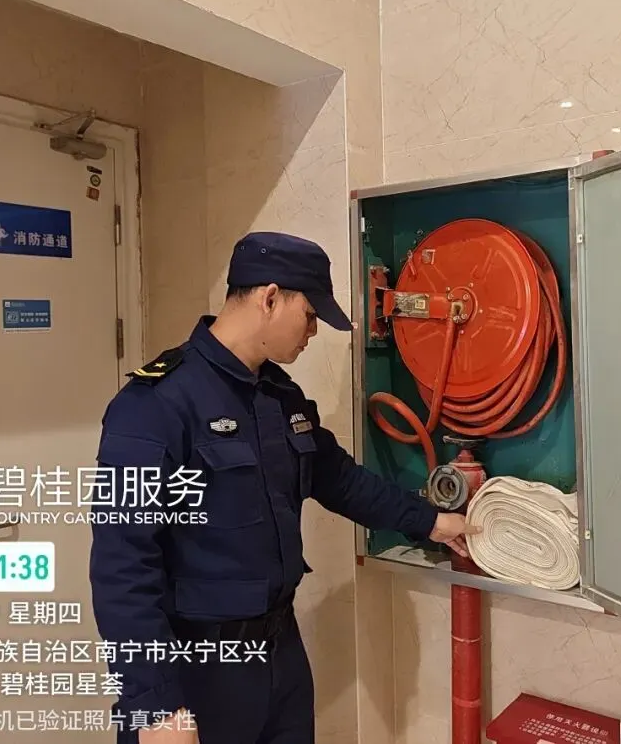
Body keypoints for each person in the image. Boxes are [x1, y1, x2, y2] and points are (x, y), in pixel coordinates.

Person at [89, 231, 478, 744]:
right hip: (197, 668)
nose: (313, 332)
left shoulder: (279, 395)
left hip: (280, 658)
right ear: (270, 298)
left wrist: (430, 521)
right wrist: (155, 705)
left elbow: (339, 479)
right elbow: (122, 566)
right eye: (310, 315)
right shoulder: (157, 404)